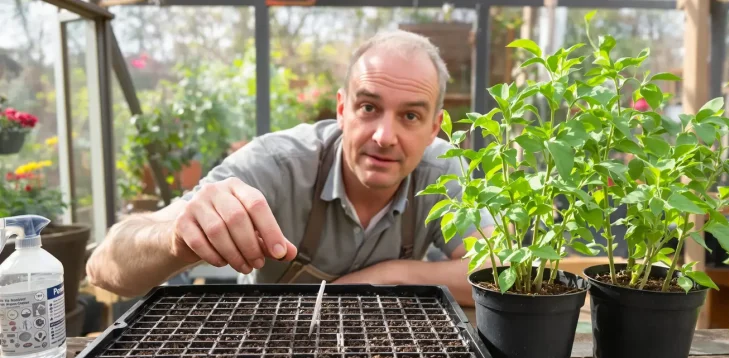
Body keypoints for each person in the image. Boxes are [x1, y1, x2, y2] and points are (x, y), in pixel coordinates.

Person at [86, 30, 494, 306]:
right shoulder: (278, 164)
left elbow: (500, 272)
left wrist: (393, 275)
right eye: (369, 107)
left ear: (434, 128)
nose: (385, 136)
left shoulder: (440, 171)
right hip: (271, 356)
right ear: (341, 110)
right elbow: (104, 268)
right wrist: (179, 237)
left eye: (410, 116)